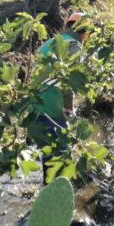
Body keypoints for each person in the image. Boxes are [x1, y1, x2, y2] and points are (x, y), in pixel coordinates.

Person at [33, 11, 91, 181]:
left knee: (48, 155)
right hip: (52, 109)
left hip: (35, 108)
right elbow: (68, 81)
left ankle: (47, 190)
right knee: (61, 156)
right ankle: (55, 197)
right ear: (84, 32)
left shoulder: (50, 42)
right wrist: (69, 107)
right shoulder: (74, 45)